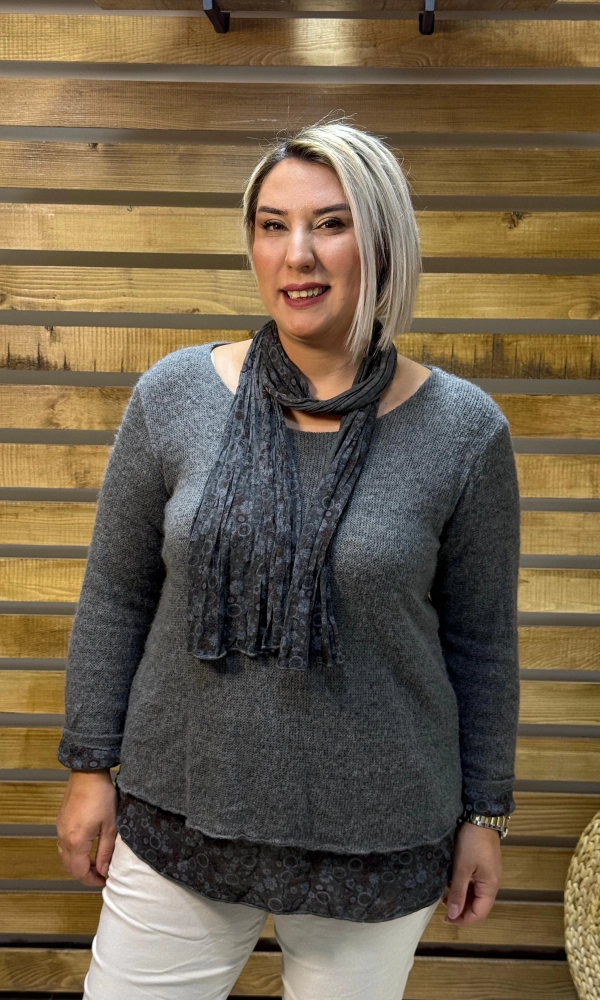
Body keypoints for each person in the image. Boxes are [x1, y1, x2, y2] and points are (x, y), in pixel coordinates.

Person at [56, 120, 521, 1000]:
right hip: (182, 815)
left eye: (330, 224)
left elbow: (482, 643)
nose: (296, 254)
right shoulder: (174, 396)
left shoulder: (464, 432)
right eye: (273, 226)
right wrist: (89, 769)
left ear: (383, 240)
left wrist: (484, 817)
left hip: (379, 835)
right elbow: (116, 595)